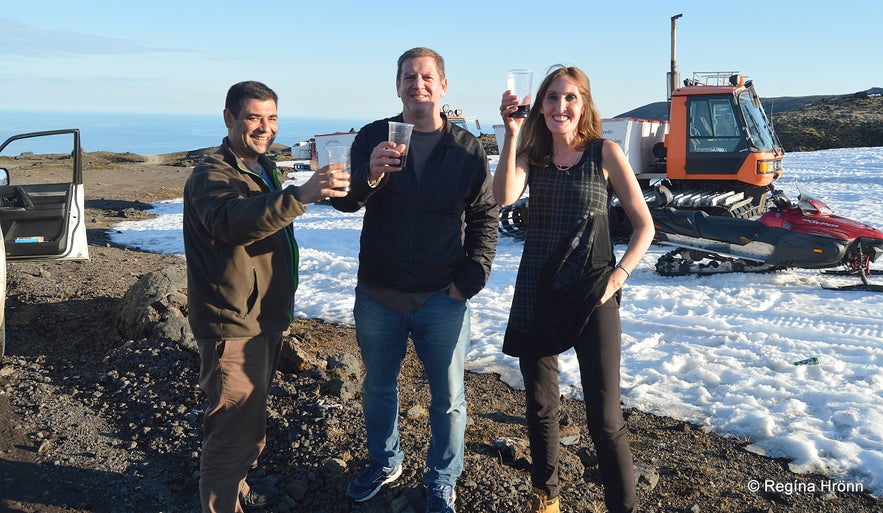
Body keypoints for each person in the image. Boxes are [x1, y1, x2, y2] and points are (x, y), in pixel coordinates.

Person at [331, 47, 499, 513]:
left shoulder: (466, 148)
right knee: (379, 386)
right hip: (379, 293)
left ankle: (442, 477)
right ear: (398, 85)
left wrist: (471, 277)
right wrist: (369, 175)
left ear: (443, 86)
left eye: (427, 77)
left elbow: (486, 216)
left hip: (441, 297)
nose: (417, 84)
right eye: (409, 77)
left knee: (447, 397)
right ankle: (386, 461)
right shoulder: (372, 136)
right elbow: (345, 201)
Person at [183, 80, 350, 513]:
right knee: (232, 431)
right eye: (254, 117)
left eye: (272, 118)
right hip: (233, 322)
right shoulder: (211, 173)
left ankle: (237, 489)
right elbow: (233, 222)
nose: (265, 127)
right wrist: (301, 195)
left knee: (250, 425)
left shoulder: (261, 166)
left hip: (262, 317)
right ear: (229, 119)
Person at [494, 66, 654, 513]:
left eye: (569, 98)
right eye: (551, 98)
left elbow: (645, 226)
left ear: (583, 104)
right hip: (538, 291)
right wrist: (510, 134)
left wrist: (617, 277)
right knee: (541, 407)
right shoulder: (533, 154)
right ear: (540, 105)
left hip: (593, 293)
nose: (559, 107)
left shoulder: (604, 152)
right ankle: (547, 499)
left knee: (605, 420)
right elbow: (504, 195)